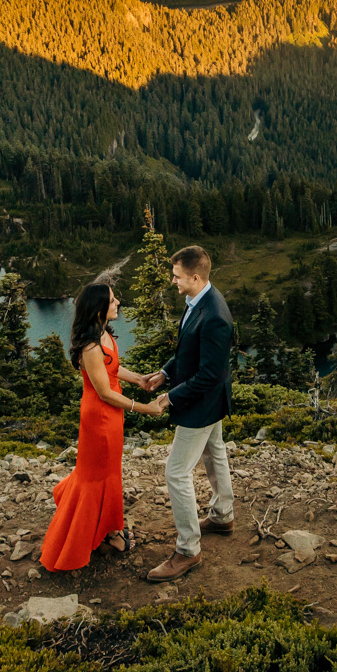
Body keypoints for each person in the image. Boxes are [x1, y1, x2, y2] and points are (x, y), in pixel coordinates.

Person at [123, 245, 235, 582]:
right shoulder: (198, 300)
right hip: (208, 401)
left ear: (196, 277)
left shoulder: (214, 314)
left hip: (201, 404)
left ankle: (188, 550)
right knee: (215, 454)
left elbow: (210, 375)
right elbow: (189, 349)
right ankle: (222, 515)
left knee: (175, 472)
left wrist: (170, 398)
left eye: (177, 276)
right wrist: (166, 373)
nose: (173, 281)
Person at [38, 282, 167, 572]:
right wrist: (144, 408)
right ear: (98, 309)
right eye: (112, 300)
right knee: (99, 475)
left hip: (110, 418)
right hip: (99, 419)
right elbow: (105, 392)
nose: (118, 302)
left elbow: (112, 368)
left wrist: (139, 379)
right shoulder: (90, 346)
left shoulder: (103, 334)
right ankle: (109, 534)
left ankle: (109, 528)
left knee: (108, 473)